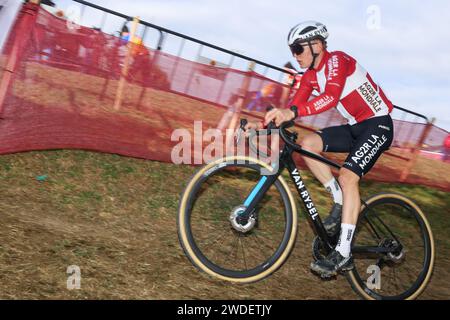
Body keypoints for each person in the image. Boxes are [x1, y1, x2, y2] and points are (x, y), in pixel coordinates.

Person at [245, 21, 394, 277]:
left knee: (348, 177)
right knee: (308, 144)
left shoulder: (337, 61)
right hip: (355, 126)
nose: (295, 55)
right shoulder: (310, 76)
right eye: (292, 50)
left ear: (316, 45)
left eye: (297, 49)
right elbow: (292, 110)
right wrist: (262, 127)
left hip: (378, 124)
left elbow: (330, 98)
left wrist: (291, 111)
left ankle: (343, 253)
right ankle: (339, 201)